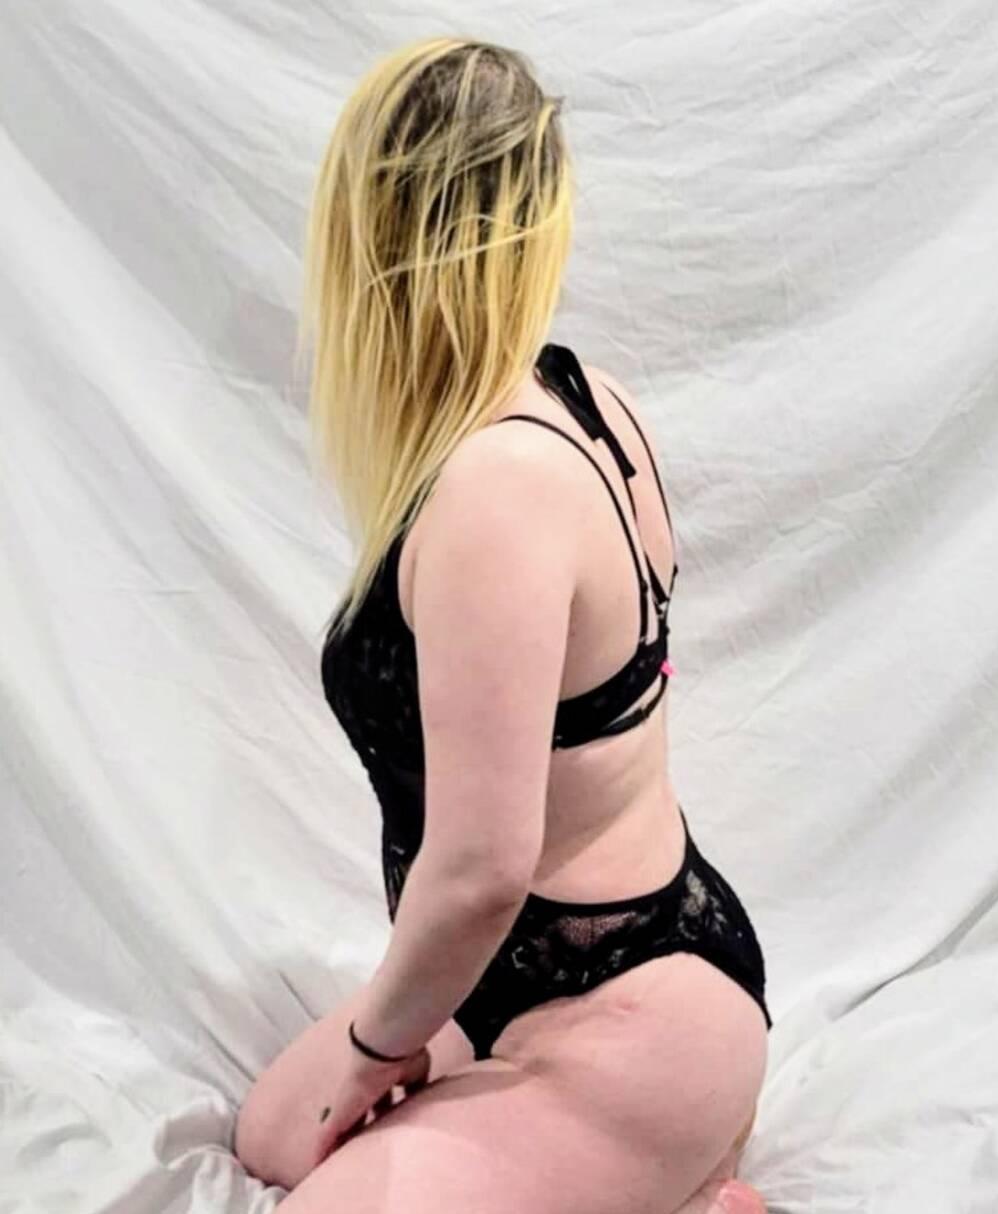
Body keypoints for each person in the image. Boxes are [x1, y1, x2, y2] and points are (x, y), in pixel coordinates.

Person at [234, 35, 772, 1214]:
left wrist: (375, 1052)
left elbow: (482, 867)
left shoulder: (497, 489)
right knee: (272, 1136)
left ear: (374, 233)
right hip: (509, 985)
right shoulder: (588, 398)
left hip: (634, 1004)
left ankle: (673, 1171)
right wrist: (386, 1038)